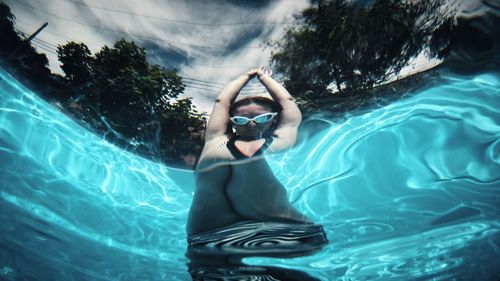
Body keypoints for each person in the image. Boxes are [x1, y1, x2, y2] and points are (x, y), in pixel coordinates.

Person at [187, 66, 316, 237]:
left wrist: (264, 77)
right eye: (241, 119)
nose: (251, 124)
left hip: (281, 229)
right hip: (213, 233)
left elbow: (288, 104)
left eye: (262, 118)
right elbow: (222, 103)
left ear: (273, 120)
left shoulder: (280, 142)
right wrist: (246, 76)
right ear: (231, 122)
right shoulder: (216, 139)